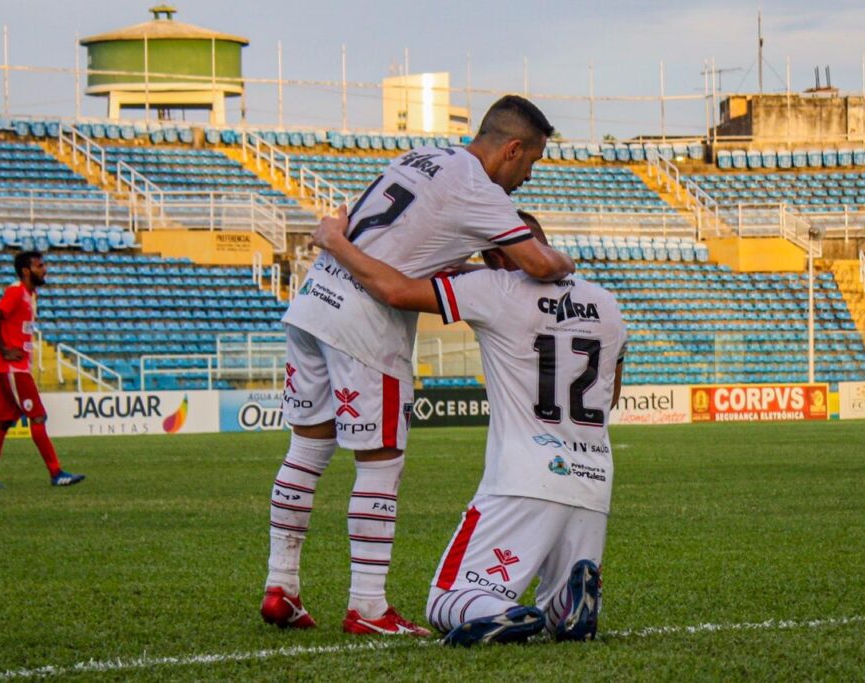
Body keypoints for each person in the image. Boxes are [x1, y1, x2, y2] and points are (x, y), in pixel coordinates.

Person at [261, 95, 575, 636]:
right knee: (381, 462)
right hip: (365, 319)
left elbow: (416, 237)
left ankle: (281, 586)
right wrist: (571, 262)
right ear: (513, 148)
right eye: (532, 162)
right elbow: (541, 264)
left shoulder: (420, 156)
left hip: (314, 300)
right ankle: (368, 606)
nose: (529, 175)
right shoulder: (480, 188)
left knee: (307, 448)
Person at [310, 207, 625, 646]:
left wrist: (336, 243)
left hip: (523, 476)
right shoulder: (607, 304)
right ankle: (566, 605)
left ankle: (498, 612)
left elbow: (396, 291)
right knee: (557, 617)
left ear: (495, 256)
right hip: (593, 479)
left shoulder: (493, 290)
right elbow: (609, 397)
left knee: (446, 600)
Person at [0, 250, 85, 489]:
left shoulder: (29, 294)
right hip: (14, 369)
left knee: (2, 424)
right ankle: (56, 473)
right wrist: (4, 350)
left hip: (12, 368)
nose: (44, 269)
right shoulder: (16, 292)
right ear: (26, 271)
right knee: (37, 416)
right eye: (39, 266)